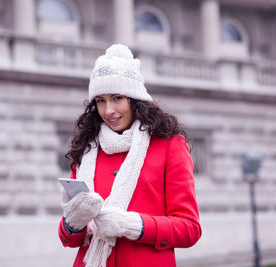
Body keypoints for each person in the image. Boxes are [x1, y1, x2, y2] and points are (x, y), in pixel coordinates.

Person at [58, 44, 201, 267]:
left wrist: (132, 225)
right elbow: (69, 239)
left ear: (134, 99)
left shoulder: (169, 145)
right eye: (100, 100)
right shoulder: (86, 149)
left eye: (117, 98)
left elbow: (189, 229)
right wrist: (74, 222)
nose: (108, 111)